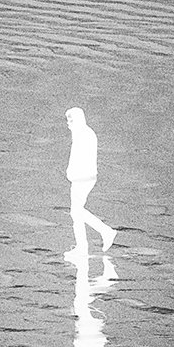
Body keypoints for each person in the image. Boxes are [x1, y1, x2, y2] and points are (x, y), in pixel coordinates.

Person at [64, 106, 116, 255]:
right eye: (67, 120)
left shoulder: (82, 135)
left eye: (70, 120)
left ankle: (102, 234)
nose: (68, 124)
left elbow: (78, 158)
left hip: (81, 179)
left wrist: (71, 173)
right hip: (85, 177)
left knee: (76, 212)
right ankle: (84, 245)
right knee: (77, 212)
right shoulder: (86, 133)